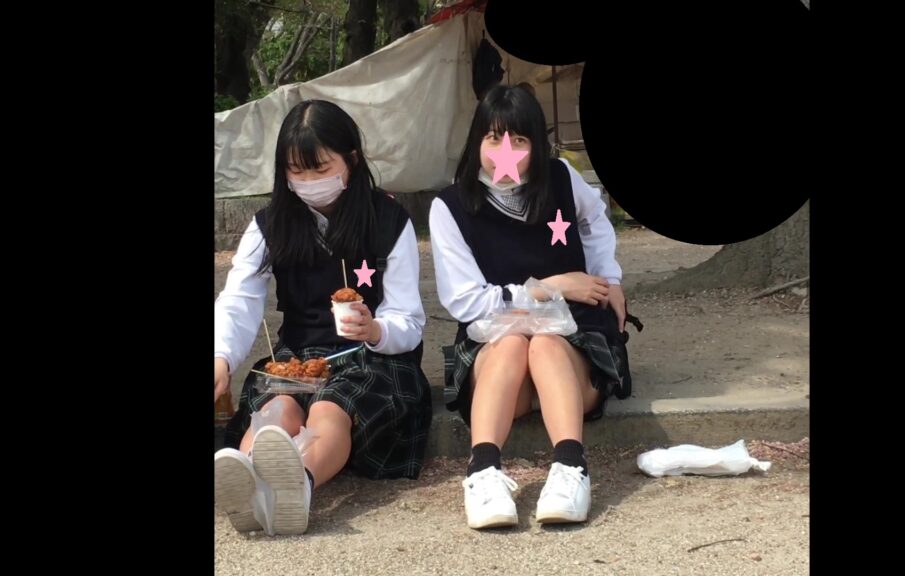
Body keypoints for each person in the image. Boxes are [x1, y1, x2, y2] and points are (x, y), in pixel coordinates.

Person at [214, 99, 431, 535]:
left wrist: (376, 329)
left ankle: (299, 488)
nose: (309, 182)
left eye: (321, 169)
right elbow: (239, 299)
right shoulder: (270, 224)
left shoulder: (388, 220)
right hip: (297, 356)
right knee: (277, 407)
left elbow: (408, 318)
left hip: (372, 357)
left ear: (352, 159)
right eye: (296, 171)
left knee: (331, 408)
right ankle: (247, 486)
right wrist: (221, 357)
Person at [429, 84, 631, 529]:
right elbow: (466, 301)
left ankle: (570, 468)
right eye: (493, 138)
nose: (505, 152)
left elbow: (595, 220)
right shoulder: (450, 207)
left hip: (571, 342)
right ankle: (483, 473)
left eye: (519, 140)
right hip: (498, 352)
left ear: (538, 144)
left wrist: (608, 278)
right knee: (514, 343)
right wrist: (546, 288)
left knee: (543, 342)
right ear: (476, 141)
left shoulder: (561, 178)